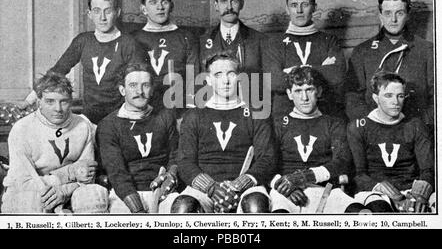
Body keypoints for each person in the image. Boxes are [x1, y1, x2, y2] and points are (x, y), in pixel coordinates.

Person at [19, 0, 148, 125]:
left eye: (108, 11)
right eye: (97, 11)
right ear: (89, 14)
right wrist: (29, 100)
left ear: (117, 12)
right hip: (89, 119)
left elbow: (140, 82)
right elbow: (57, 71)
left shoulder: (128, 43)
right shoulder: (83, 40)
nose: (102, 17)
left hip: (120, 119)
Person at [172, 51, 278, 213]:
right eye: (218, 74)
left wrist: (239, 185)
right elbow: (185, 161)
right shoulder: (194, 115)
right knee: (183, 206)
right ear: (208, 79)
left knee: (255, 204)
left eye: (231, 74)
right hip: (204, 189)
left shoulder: (256, 114)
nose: (226, 81)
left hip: (245, 188)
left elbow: (267, 158)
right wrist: (211, 188)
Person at [1, 72, 107, 214]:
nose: (58, 108)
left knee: (92, 196)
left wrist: (63, 191)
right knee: (33, 201)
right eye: (50, 101)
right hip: (29, 192)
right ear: (39, 102)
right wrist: (68, 173)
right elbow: (23, 184)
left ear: (70, 101)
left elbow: (86, 177)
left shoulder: (82, 125)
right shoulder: (22, 128)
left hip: (67, 191)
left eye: (63, 101)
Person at [346, 0, 434, 132]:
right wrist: (370, 122)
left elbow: (436, 97)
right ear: (380, 15)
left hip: (414, 130)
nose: (393, 20)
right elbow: (352, 96)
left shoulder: (427, 50)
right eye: (387, 13)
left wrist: (420, 123)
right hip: (374, 130)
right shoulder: (362, 51)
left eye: (399, 13)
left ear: (408, 15)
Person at [270, 66, 355, 213]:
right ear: (289, 94)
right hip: (286, 192)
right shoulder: (278, 124)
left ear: (319, 91)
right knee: (280, 216)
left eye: (309, 89)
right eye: (298, 91)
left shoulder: (334, 123)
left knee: (358, 212)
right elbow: (266, 163)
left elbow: (343, 161)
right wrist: (283, 187)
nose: (304, 98)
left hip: (326, 190)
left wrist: (305, 176)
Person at [96, 63, 179, 213]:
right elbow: (117, 173)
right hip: (125, 193)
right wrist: (138, 211)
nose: (139, 91)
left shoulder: (165, 117)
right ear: (122, 90)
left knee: (183, 208)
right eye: (133, 85)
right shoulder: (108, 125)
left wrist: (171, 173)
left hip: (163, 192)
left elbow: (176, 155)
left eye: (145, 85)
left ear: (152, 89)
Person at [347, 71, 435, 213]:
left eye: (400, 96)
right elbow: (359, 174)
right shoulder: (359, 126)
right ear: (376, 98)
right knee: (379, 210)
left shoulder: (415, 125)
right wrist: (387, 191)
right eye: (388, 96)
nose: (395, 102)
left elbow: (428, 170)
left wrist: (419, 196)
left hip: (412, 190)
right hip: (376, 193)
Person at [264, 0, 346, 119]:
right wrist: (319, 69)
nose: (299, 10)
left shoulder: (328, 40)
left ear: (314, 6)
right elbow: (273, 81)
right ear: (287, 9)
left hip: (324, 112)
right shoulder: (275, 43)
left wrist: (291, 71)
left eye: (305, 4)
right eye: (294, 5)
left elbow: (338, 75)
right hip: (285, 115)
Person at [132, 0, 199, 116]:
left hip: (179, 112)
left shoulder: (187, 37)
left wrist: (188, 116)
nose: (160, 7)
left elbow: (194, 79)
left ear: (171, 6)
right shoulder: (133, 38)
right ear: (143, 9)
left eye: (165, 2)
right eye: (153, 2)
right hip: (143, 112)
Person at [200, 0, 268, 110]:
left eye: (234, 1)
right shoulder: (203, 41)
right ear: (216, 5)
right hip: (215, 110)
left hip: (249, 110)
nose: (229, 7)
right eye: (224, 2)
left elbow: (265, 83)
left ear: (241, 4)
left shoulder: (260, 39)